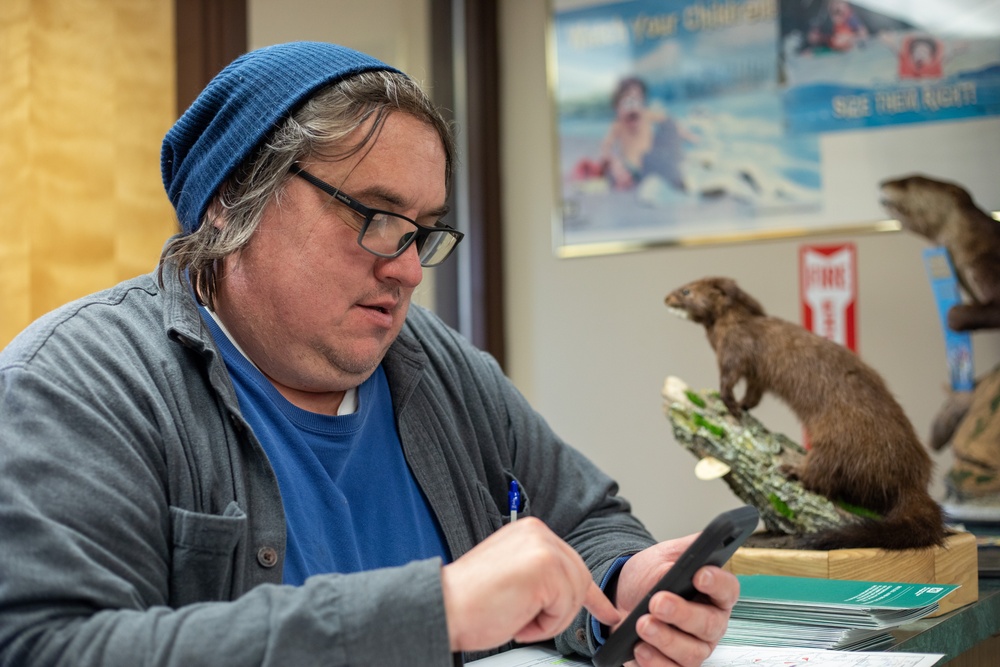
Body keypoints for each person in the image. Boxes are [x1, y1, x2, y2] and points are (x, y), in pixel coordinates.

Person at [0, 41, 740, 666]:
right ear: (233, 198)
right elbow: (47, 646)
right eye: (376, 216)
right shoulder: (76, 386)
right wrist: (432, 610)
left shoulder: (432, 364)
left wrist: (626, 580)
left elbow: (585, 518)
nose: (409, 267)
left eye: (422, 230)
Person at [599, 76, 697, 193]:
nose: (632, 107)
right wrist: (612, 162)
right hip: (631, 168)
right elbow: (607, 145)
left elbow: (670, 123)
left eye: (637, 100)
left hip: (651, 163)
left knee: (666, 152)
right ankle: (626, 178)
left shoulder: (647, 115)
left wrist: (688, 136)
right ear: (617, 106)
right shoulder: (618, 125)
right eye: (627, 101)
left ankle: (679, 174)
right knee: (616, 169)